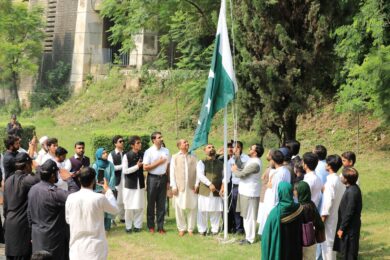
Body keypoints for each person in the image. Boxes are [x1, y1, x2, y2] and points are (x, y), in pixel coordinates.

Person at [27, 159, 78, 260]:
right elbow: (75, 196)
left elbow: (29, 214)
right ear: (52, 175)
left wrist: (31, 234)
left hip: (38, 238)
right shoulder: (54, 192)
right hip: (53, 241)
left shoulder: (33, 189)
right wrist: (69, 179)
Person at [66, 167, 119, 260]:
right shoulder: (99, 198)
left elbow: (68, 220)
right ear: (94, 180)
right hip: (95, 248)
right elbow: (115, 210)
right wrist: (109, 191)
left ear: (79, 179)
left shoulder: (71, 198)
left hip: (77, 248)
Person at [4, 152, 40, 260]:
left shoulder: (8, 181)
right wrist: (37, 166)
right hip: (22, 226)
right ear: (27, 165)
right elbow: (40, 178)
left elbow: (5, 207)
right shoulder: (25, 180)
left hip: (9, 223)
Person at [261, 182, 303, 260]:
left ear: (279, 193)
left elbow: (266, 238)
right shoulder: (299, 209)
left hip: (279, 251)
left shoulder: (274, 213)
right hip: (294, 250)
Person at [231, 143, 264, 244]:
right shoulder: (251, 160)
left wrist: (234, 171)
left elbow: (242, 174)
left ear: (255, 152)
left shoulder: (256, 163)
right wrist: (237, 156)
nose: (249, 149)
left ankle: (250, 239)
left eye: (251, 148)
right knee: (246, 216)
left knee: (249, 216)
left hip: (250, 193)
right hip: (245, 192)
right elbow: (241, 165)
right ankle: (248, 237)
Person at [143, 131, 170, 234]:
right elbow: (145, 167)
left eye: (161, 137)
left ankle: (160, 227)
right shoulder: (148, 151)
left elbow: (167, 166)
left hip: (163, 178)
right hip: (152, 179)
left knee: (161, 204)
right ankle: (151, 226)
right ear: (154, 140)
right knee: (151, 203)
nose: (161, 139)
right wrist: (158, 162)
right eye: (159, 137)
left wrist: (168, 180)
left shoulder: (166, 151)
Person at [258, 149, 290, 235]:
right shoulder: (285, 171)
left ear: (273, 160)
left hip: (274, 204)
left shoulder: (278, 174)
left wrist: (271, 210)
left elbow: (275, 192)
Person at [170, 139, 198, 236]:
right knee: (179, 208)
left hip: (192, 186)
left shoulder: (194, 156)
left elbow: (197, 172)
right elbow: (172, 173)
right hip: (179, 187)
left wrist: (197, 184)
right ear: (179, 146)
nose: (187, 143)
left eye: (187, 142)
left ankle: (190, 229)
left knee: (193, 207)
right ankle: (181, 228)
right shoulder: (175, 157)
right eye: (184, 142)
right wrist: (173, 186)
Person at [333, 167, 362, 260]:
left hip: (350, 229)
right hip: (350, 227)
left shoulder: (352, 192)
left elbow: (349, 212)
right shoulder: (352, 188)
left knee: (349, 253)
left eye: (342, 176)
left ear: (346, 179)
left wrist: (341, 228)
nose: (340, 177)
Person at [321, 155, 345, 260]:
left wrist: (321, 221)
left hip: (329, 218)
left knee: (327, 246)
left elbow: (328, 204)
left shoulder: (331, 181)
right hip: (337, 215)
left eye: (327, 163)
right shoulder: (339, 179)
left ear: (329, 166)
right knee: (331, 245)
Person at [196, 144, 224, 235]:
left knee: (215, 211)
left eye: (213, 147)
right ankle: (202, 230)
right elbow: (200, 175)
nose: (212, 148)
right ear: (205, 150)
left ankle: (214, 230)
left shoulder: (220, 163)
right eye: (209, 147)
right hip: (205, 190)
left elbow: (224, 176)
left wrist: (222, 186)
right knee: (202, 211)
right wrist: (209, 184)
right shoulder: (201, 162)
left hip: (217, 190)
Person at [294, 181, 325, 260]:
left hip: (301, 241)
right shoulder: (311, 204)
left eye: (296, 190)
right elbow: (319, 224)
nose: (294, 192)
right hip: (311, 239)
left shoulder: (299, 207)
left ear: (301, 192)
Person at [121, 136, 145, 233]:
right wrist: (137, 166)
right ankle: (128, 226)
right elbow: (125, 171)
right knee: (129, 207)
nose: (140, 144)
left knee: (140, 206)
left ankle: (138, 226)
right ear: (132, 145)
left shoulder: (143, 154)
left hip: (140, 184)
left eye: (140, 143)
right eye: (138, 143)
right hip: (130, 185)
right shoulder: (126, 156)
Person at [227, 141, 249, 234]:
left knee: (244, 208)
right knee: (235, 208)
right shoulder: (231, 159)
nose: (234, 149)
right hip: (234, 186)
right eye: (233, 147)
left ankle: (245, 228)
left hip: (244, 185)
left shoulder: (247, 158)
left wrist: (237, 158)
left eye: (237, 147)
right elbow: (228, 174)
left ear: (241, 148)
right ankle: (238, 228)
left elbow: (244, 171)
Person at [92, 148, 116, 231]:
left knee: (108, 208)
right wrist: (100, 188)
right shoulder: (95, 165)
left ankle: (107, 227)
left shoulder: (110, 165)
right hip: (99, 191)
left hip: (108, 190)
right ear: (99, 155)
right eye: (103, 153)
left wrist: (108, 188)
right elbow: (94, 178)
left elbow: (113, 176)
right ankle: (99, 227)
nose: (106, 154)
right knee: (100, 209)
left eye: (106, 153)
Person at [107, 135, 125, 223]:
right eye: (120, 141)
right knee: (115, 199)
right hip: (116, 179)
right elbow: (112, 167)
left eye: (123, 141)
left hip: (125, 179)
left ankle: (123, 217)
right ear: (115, 144)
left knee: (123, 199)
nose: (122, 143)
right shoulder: (111, 154)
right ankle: (112, 219)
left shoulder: (125, 153)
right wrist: (123, 166)